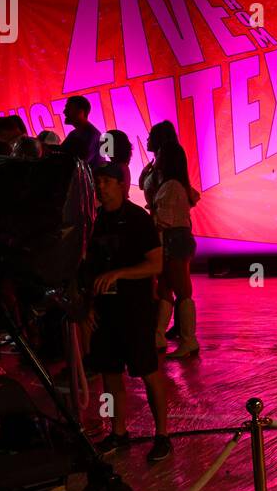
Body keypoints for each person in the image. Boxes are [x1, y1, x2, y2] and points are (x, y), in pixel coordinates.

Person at [82, 161, 171, 463]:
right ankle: (117, 431)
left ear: (122, 185)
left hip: (134, 309)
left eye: (107, 181)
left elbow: (156, 264)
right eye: (98, 181)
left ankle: (163, 434)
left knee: (148, 371)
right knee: (109, 376)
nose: (101, 187)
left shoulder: (137, 220)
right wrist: (89, 306)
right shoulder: (95, 222)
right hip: (105, 311)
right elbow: (90, 268)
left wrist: (120, 274)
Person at [149, 140, 201, 358]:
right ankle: (160, 336)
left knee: (180, 291)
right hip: (175, 238)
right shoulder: (176, 184)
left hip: (174, 239)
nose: (156, 157)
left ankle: (188, 340)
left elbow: (163, 220)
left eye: (159, 154)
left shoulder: (171, 186)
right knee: (166, 289)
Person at [61, 96, 103, 170]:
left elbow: (80, 163)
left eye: (68, 108)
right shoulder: (73, 134)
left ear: (80, 112)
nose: (64, 112)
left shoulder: (93, 136)